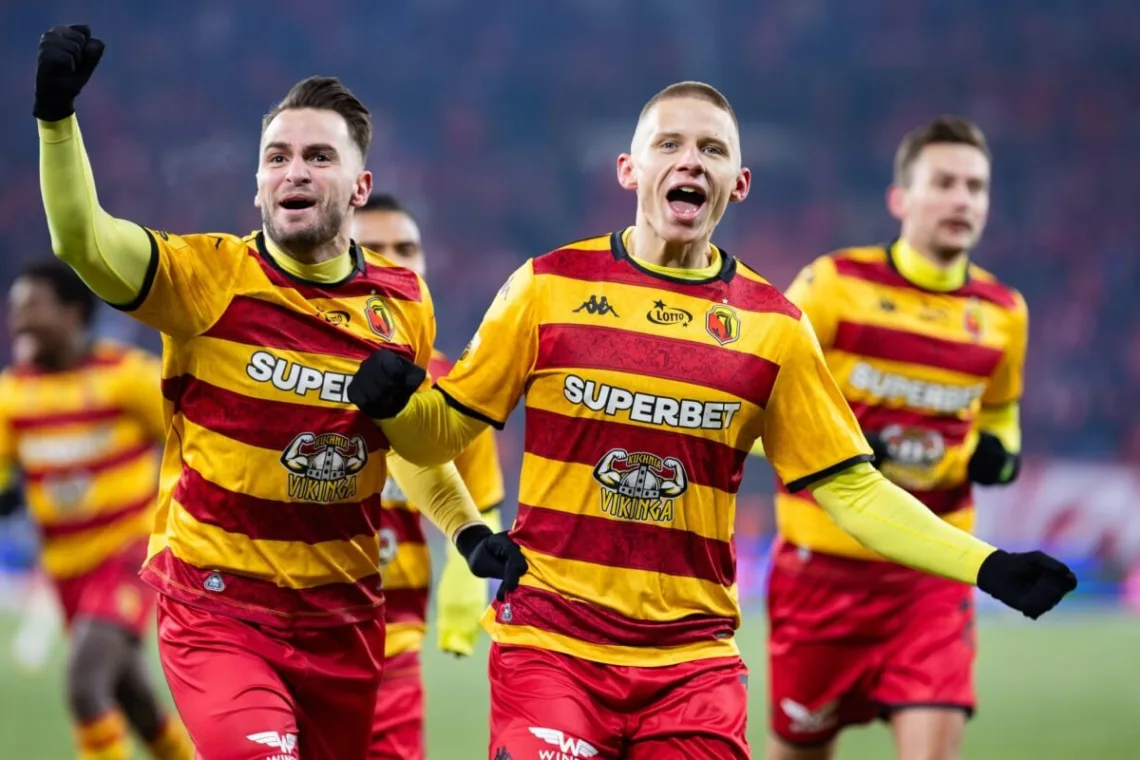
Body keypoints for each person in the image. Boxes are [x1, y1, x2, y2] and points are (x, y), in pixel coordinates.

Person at [346, 81, 1078, 759]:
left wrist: (988, 564)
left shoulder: (775, 328)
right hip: (551, 648)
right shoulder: (546, 288)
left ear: (739, 182)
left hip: (693, 667)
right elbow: (439, 434)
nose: (690, 160)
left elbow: (852, 489)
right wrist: (392, 404)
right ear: (629, 170)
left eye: (712, 149)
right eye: (669, 144)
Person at [34, 24, 521, 760]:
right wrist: (57, 120)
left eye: (319, 156)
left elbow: (406, 445)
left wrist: (466, 531)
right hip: (220, 608)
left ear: (359, 188)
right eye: (277, 157)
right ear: (258, 184)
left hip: (345, 618)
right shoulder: (205, 279)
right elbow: (84, 240)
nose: (294, 171)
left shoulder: (403, 303)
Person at [761, 116, 1037, 760]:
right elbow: (754, 406)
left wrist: (1001, 453)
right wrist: (840, 447)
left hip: (931, 579)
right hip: (821, 576)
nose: (962, 199)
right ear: (900, 198)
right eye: (943, 183)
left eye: (975, 187)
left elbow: (1001, 415)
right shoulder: (833, 286)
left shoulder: (1004, 313)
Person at [0, 261, 193, 760]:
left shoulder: (127, 377)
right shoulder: (11, 394)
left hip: (128, 554)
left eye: (32, 308)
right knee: (137, 703)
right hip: (66, 569)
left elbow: (191, 439)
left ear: (72, 313)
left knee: (85, 685)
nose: (19, 322)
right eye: (15, 310)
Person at [352, 194, 506, 760]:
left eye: (406, 248)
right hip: (289, 627)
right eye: (373, 248)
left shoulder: (454, 387)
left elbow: (480, 499)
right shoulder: (289, 365)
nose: (394, 261)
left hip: (393, 636)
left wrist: (463, 609)